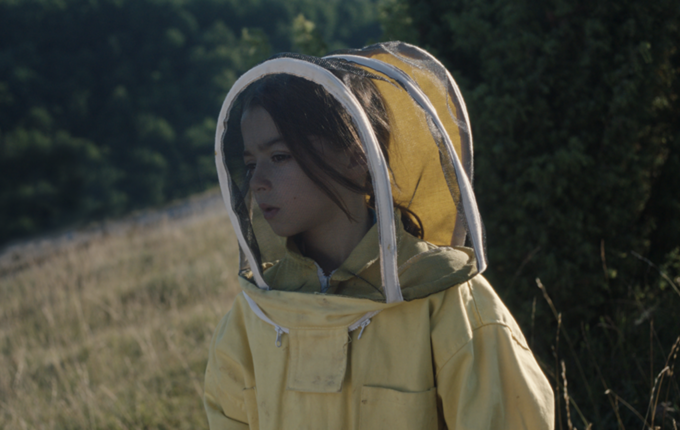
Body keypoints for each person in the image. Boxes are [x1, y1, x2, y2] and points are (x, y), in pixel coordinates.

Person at [205, 41, 555, 430]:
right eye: (250, 163)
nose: (257, 182)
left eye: (280, 157)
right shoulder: (253, 316)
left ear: (358, 154)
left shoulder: (445, 301)